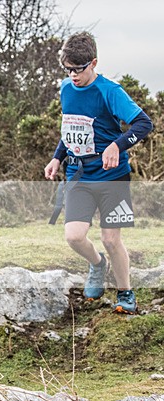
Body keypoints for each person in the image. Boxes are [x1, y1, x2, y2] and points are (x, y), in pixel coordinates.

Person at [45, 32, 153, 314]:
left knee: (111, 239)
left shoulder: (110, 91)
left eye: (78, 70)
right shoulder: (66, 88)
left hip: (112, 178)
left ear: (93, 62)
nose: (72, 76)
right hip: (78, 175)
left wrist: (117, 145)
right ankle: (97, 265)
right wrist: (57, 158)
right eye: (67, 69)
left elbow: (143, 123)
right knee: (74, 236)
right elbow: (71, 127)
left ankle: (125, 292)